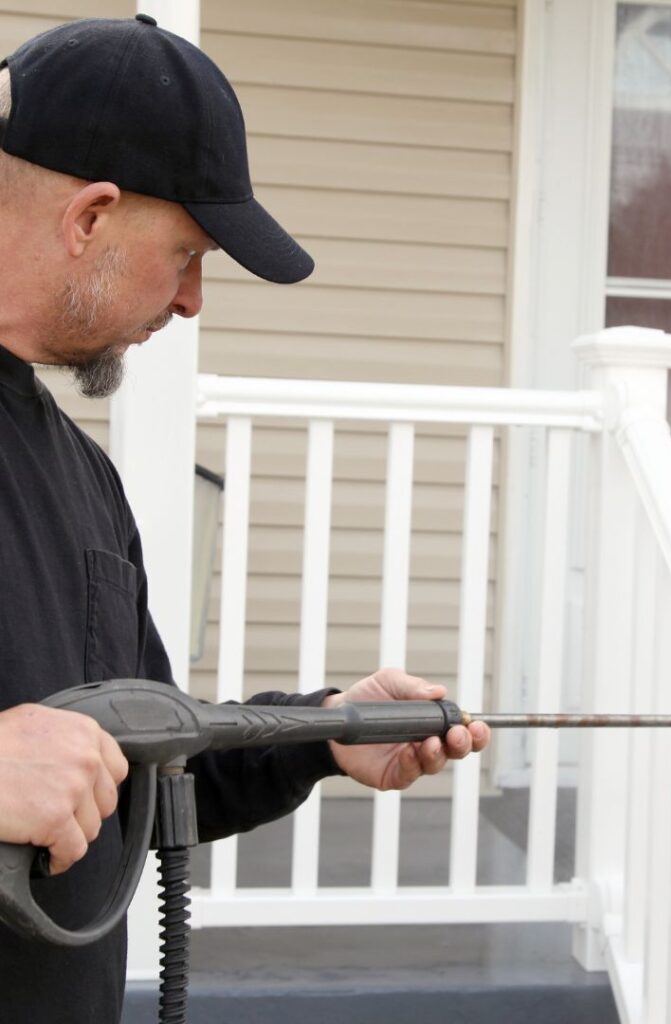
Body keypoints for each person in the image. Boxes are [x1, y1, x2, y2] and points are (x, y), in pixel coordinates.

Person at [0, 15, 490, 1021]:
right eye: (185, 252)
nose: (191, 301)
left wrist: (320, 732)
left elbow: (150, 766)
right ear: (89, 218)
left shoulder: (82, 480)